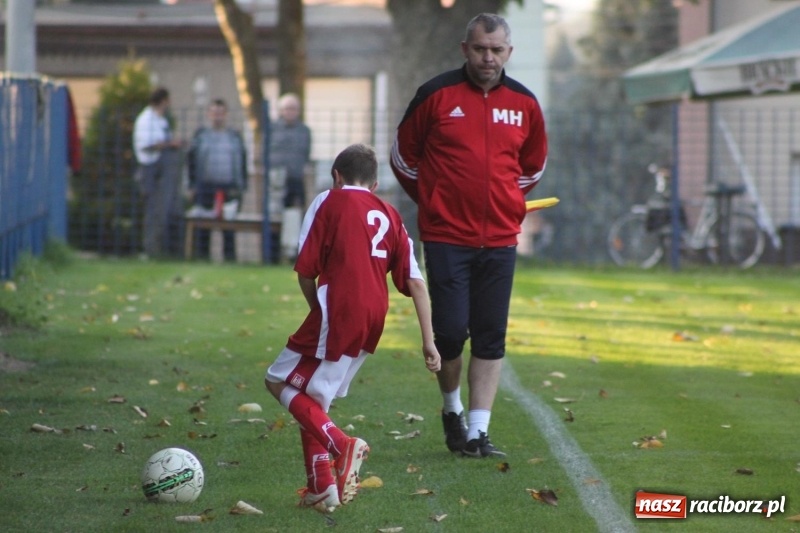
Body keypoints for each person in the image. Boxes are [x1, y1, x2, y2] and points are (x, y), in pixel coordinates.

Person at [390, 13, 548, 458]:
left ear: (509, 53)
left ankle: (478, 431)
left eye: (497, 50)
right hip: (446, 237)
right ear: (465, 49)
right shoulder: (436, 95)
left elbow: (534, 165)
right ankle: (451, 409)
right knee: (450, 334)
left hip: (500, 238)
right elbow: (403, 157)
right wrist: (436, 200)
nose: (488, 57)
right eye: (480, 48)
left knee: (491, 335)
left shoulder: (524, 103)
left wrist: (504, 202)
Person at [264, 144, 441, 511]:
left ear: (336, 176)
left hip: (339, 309)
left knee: (277, 380)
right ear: (375, 185)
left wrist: (318, 311)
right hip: (374, 318)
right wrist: (429, 343)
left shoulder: (328, 201)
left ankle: (341, 445)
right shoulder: (391, 215)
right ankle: (321, 488)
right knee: (314, 400)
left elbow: (305, 269)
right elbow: (417, 284)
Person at [186, 98, 248, 261]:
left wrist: (241, 186)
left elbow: (242, 161)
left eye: (220, 113)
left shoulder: (234, 137)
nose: (217, 116)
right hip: (205, 186)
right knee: (203, 226)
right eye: (214, 113)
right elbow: (190, 161)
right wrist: (191, 185)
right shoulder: (201, 136)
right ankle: (201, 258)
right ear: (209, 114)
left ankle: (229, 259)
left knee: (229, 226)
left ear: (225, 114)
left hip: (228, 186)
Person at [133, 87, 184, 257]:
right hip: (151, 172)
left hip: (163, 174)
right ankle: (150, 250)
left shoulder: (160, 120)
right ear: (163, 101)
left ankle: (162, 250)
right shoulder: (146, 120)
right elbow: (146, 145)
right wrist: (170, 145)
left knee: (164, 211)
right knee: (153, 211)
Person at [268, 93, 312, 262]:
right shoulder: (272, 129)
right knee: (274, 217)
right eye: (286, 108)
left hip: (295, 180)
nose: (290, 112)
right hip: (275, 182)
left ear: (298, 111)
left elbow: (306, 155)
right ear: (280, 111)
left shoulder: (305, 131)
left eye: (293, 108)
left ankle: (293, 255)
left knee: (294, 216)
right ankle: (272, 256)